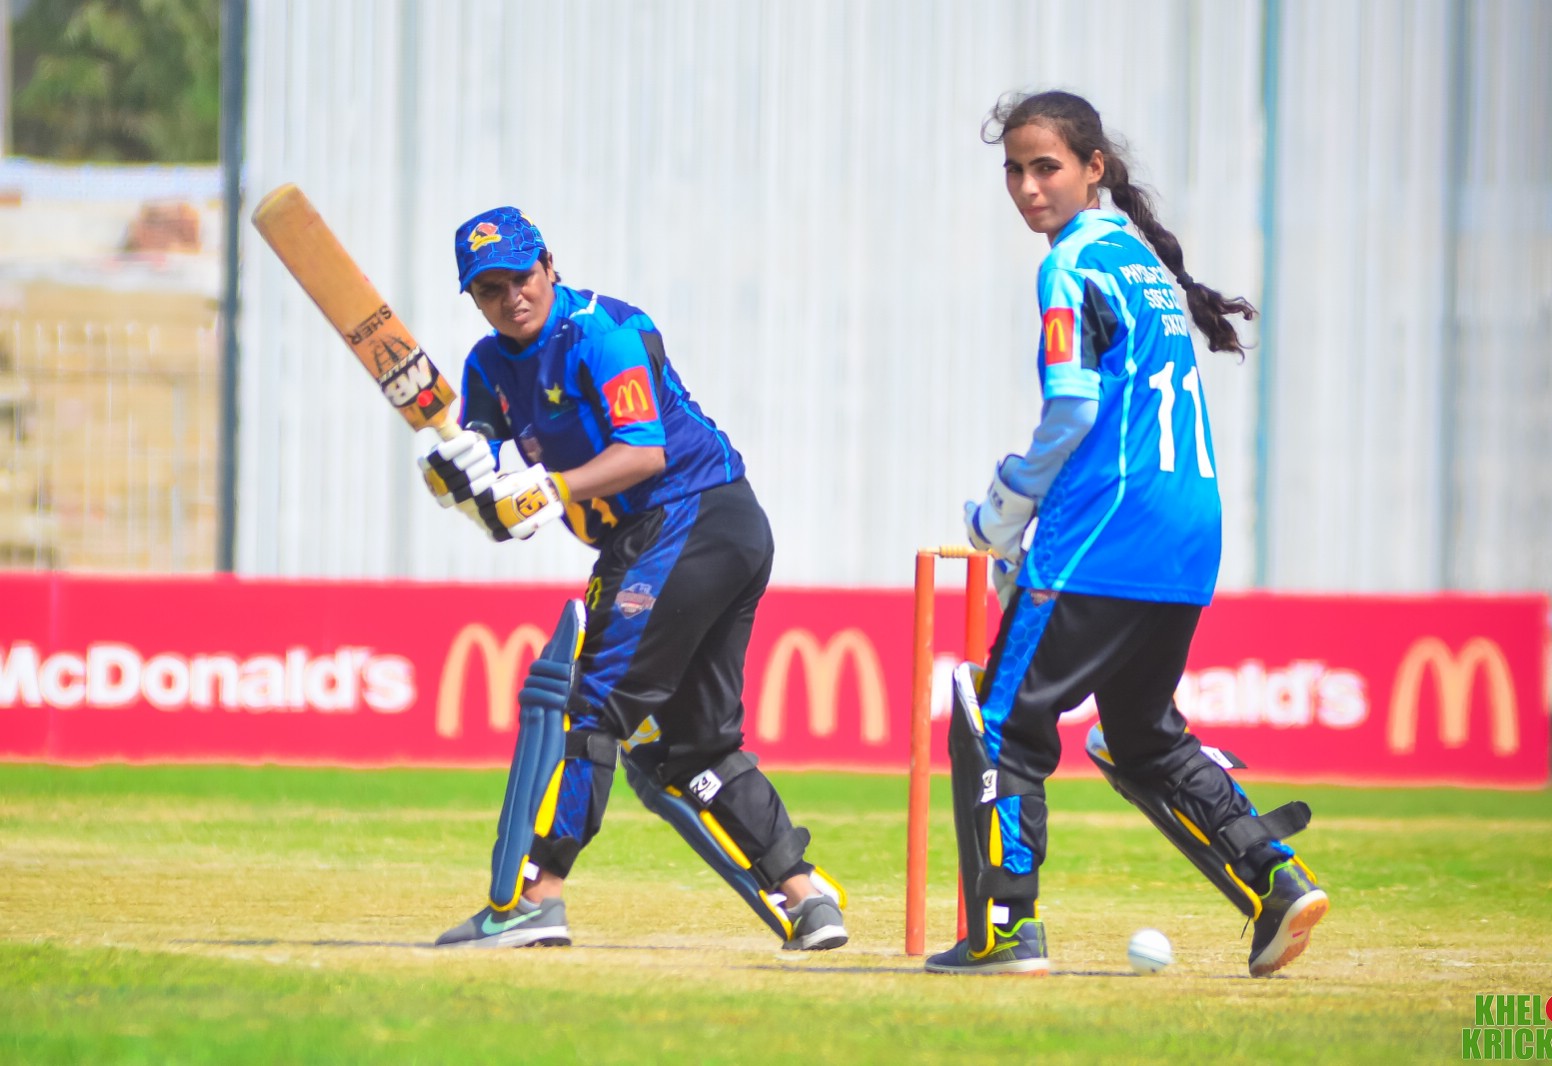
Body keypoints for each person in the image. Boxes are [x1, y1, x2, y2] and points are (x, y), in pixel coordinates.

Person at [927, 91, 1327, 977]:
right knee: (1142, 733)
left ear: (1092, 168)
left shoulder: (1070, 264)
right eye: (1014, 171)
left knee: (1000, 719)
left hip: (1107, 523)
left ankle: (1005, 930)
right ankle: (1274, 875)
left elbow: (1073, 406)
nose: (1028, 188)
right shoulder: (1140, 260)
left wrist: (1005, 509)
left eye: (1046, 168)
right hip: (1187, 529)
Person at [421, 206, 848, 952]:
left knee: (590, 711)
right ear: (475, 298)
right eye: (490, 289)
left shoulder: (602, 332)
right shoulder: (488, 366)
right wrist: (453, 477)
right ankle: (807, 898)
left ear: (548, 264)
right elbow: (491, 488)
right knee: (692, 746)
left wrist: (549, 489)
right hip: (685, 533)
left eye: (521, 277)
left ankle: (536, 897)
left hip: (689, 515)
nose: (511, 297)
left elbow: (644, 453)